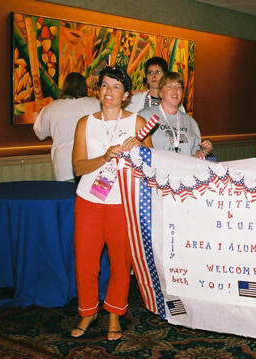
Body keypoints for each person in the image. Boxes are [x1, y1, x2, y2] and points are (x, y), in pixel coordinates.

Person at [71, 66, 152, 341]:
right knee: (86, 262)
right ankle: (88, 311)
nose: (109, 91)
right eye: (105, 85)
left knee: (121, 263)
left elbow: (152, 168)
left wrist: (139, 150)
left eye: (116, 87)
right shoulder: (85, 123)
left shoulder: (137, 124)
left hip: (123, 204)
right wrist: (105, 157)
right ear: (98, 90)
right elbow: (78, 166)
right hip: (89, 201)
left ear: (126, 94)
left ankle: (115, 314)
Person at [33, 72, 100, 181]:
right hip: (90, 162)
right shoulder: (95, 104)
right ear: (84, 86)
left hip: (63, 165)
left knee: (66, 196)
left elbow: (39, 132)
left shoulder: (51, 107)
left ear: (64, 87)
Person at [139, 72, 212, 158]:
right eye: (169, 86)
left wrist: (203, 151)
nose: (175, 90)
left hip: (185, 170)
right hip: (156, 170)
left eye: (179, 86)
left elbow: (193, 158)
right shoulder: (144, 116)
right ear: (161, 93)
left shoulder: (191, 122)